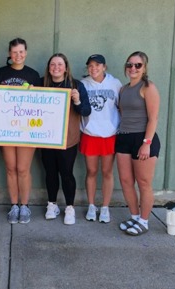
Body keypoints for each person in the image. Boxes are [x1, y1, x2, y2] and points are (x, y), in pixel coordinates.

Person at [0, 37, 41, 224]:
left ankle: (25, 206)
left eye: (21, 52)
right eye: (14, 52)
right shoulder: (0, 72)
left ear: (26, 53)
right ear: (9, 54)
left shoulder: (33, 74)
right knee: (11, 169)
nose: (18, 55)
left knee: (23, 169)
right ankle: (14, 205)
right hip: (6, 128)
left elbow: (39, 104)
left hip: (26, 129)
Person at [40, 53, 91, 225]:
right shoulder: (41, 83)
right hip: (45, 137)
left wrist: (77, 100)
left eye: (60, 64)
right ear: (49, 67)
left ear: (66, 67)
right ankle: (51, 204)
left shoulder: (76, 85)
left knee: (66, 173)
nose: (56, 67)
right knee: (50, 172)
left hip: (67, 139)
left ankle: (70, 207)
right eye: (52, 64)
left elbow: (86, 111)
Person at [115, 51, 161, 236]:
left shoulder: (148, 87)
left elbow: (153, 118)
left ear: (144, 68)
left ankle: (144, 221)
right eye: (129, 64)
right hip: (124, 137)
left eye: (137, 65)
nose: (133, 68)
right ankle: (134, 216)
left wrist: (146, 143)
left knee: (143, 182)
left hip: (143, 138)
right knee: (126, 181)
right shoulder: (124, 89)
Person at [79, 54, 122, 223]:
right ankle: (91, 205)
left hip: (109, 134)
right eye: (90, 65)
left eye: (97, 65)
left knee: (107, 172)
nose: (93, 68)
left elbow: (120, 106)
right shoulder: (83, 84)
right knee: (91, 171)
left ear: (104, 67)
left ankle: (105, 207)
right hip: (90, 134)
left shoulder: (115, 83)